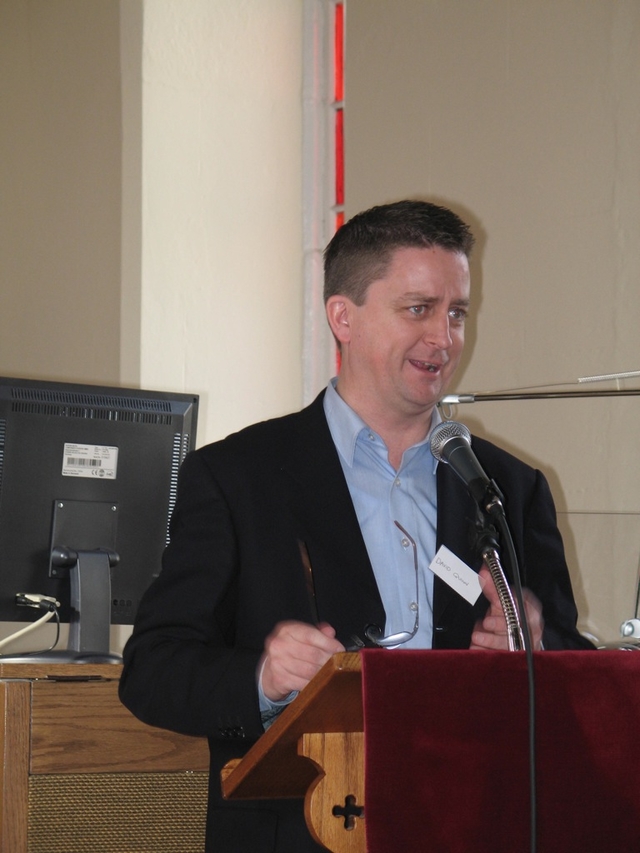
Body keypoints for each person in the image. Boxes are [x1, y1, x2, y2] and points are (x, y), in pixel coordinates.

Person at [119, 200, 593, 853]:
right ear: (343, 316)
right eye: (418, 309)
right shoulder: (237, 477)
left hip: (475, 826)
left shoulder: (507, 487)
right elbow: (152, 669)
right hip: (302, 833)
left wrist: (539, 652)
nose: (445, 337)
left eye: (457, 312)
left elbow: (577, 674)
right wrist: (263, 677)